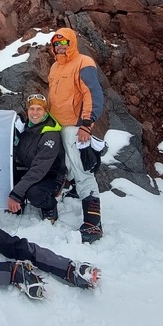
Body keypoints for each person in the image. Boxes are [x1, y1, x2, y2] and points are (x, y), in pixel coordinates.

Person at [47, 27, 106, 243]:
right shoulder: (54, 67)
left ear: (71, 43)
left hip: (75, 127)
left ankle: (93, 222)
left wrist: (86, 125)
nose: (60, 47)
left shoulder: (84, 62)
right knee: (64, 167)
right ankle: (70, 194)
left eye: (64, 43)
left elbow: (92, 94)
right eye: (56, 44)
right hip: (56, 126)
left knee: (82, 171)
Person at [9, 93, 65, 223]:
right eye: (32, 109)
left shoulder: (50, 135)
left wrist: (16, 193)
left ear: (45, 112)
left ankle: (49, 205)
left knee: (34, 193)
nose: (35, 113)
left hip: (50, 175)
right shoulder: (26, 129)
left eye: (39, 109)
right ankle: (18, 204)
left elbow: (39, 169)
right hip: (29, 169)